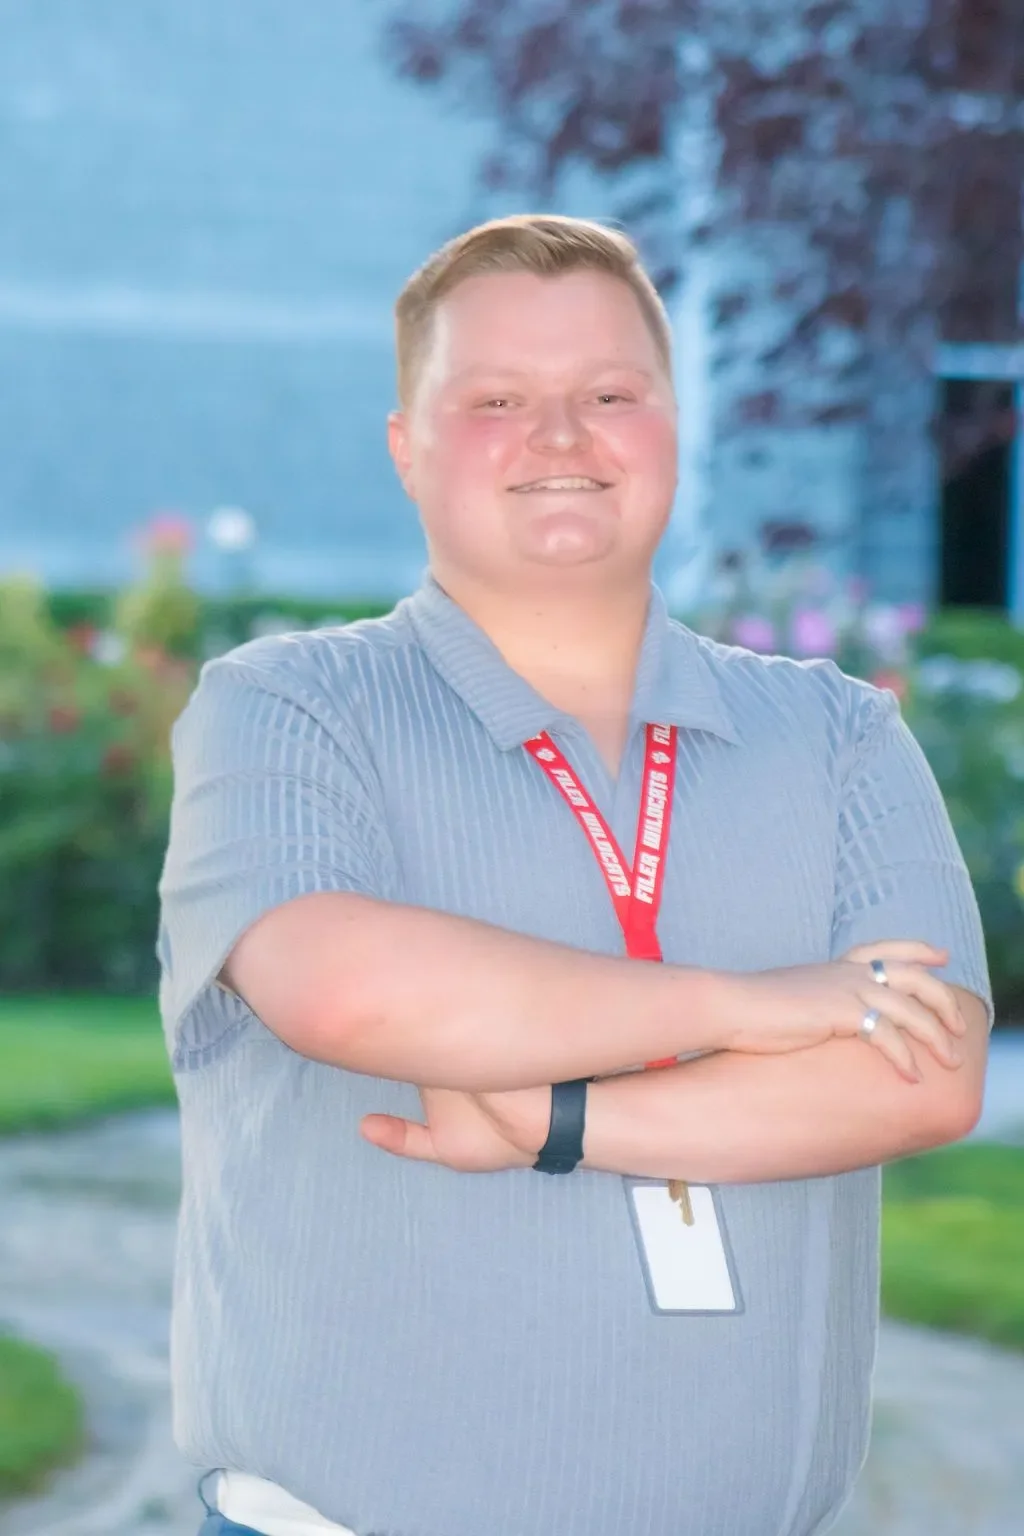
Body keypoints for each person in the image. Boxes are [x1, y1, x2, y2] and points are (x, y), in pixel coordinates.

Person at [158, 214, 992, 1536]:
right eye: (496, 400)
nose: (560, 438)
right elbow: (345, 986)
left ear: (672, 427)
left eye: (610, 394)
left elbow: (927, 1071)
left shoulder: (840, 733)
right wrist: (756, 1007)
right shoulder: (286, 707)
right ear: (406, 449)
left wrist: (554, 1119)